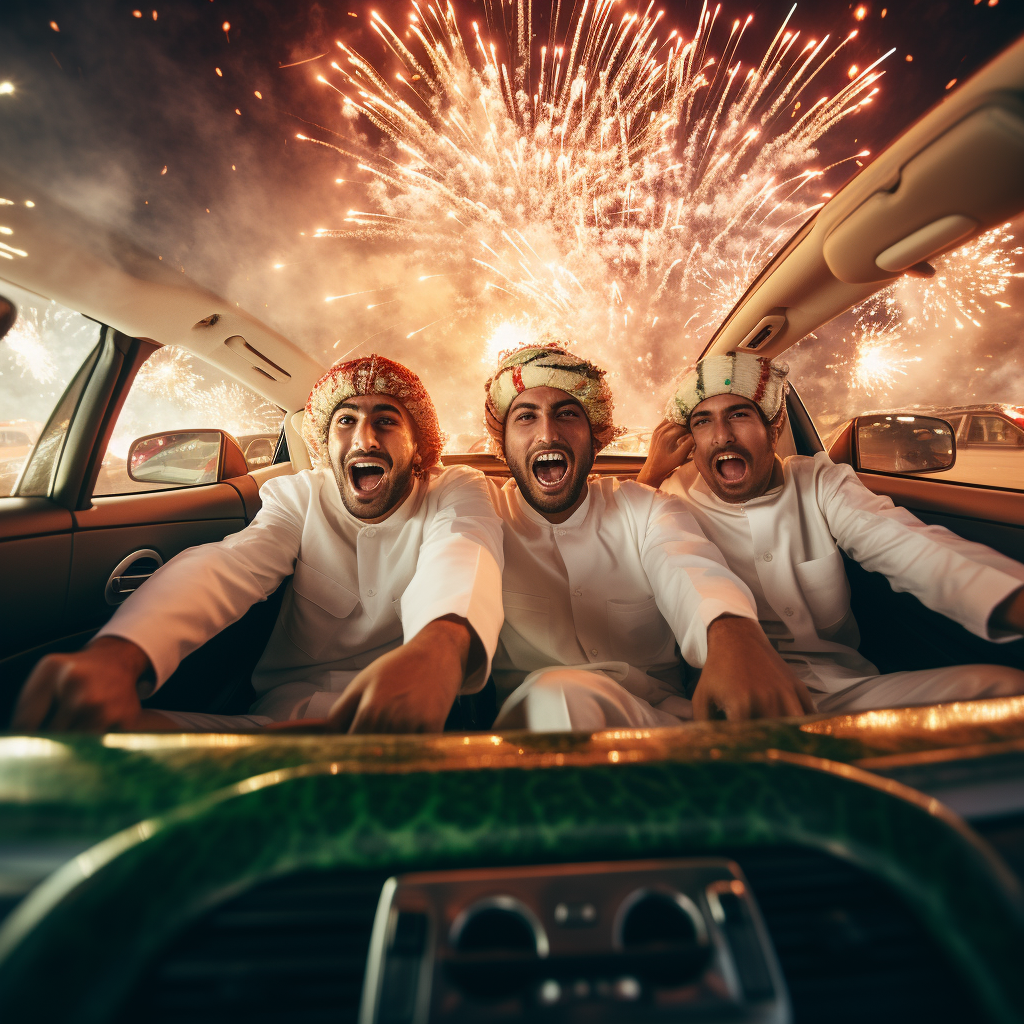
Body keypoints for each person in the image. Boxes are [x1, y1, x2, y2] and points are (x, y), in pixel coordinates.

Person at [13, 355, 504, 733]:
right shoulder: (298, 496)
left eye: (386, 421)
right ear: (325, 445)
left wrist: (437, 649)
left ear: (418, 446)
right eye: (346, 421)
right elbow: (227, 566)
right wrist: (120, 654)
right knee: (96, 741)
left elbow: (461, 551)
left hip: (415, 731)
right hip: (280, 731)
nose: (364, 440)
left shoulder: (454, 489)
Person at [637, 350, 1024, 714]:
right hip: (734, 701)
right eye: (703, 421)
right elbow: (643, 551)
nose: (721, 436)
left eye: (738, 415)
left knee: (1004, 690)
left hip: (848, 690)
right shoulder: (670, 496)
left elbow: (909, 546)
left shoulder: (820, 482)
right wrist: (651, 473)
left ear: (774, 429)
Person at [482, 340, 811, 731]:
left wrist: (733, 636)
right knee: (556, 695)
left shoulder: (649, 508)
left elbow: (692, 571)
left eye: (567, 414)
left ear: (595, 435)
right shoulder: (483, 513)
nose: (548, 434)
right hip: (539, 734)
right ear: (501, 443)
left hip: (667, 725)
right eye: (526, 418)